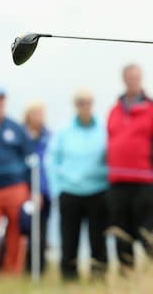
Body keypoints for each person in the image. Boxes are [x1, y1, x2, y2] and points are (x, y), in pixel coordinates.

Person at [107, 64, 153, 272]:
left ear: (141, 79)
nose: (133, 81)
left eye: (137, 77)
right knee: (122, 234)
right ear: (124, 79)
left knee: (151, 231)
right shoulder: (114, 110)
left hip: (145, 183)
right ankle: (126, 279)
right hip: (118, 184)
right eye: (129, 77)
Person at [45, 89, 109, 280]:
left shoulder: (103, 130)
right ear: (76, 105)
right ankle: (69, 280)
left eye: (88, 102)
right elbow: (51, 160)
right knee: (69, 240)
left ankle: (99, 279)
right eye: (81, 102)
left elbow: (110, 157)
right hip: (70, 192)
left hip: (98, 191)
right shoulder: (64, 132)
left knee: (98, 240)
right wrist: (57, 189)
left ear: (93, 104)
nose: (85, 106)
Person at [0, 86, 32, 277]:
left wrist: (32, 191)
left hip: (16, 188)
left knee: (16, 231)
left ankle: (12, 274)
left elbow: (29, 160)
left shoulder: (16, 128)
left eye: (1, 100)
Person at [22, 101, 51, 275]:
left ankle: (38, 270)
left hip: (43, 193)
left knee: (40, 233)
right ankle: (20, 268)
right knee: (23, 229)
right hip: (23, 190)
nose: (38, 116)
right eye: (35, 113)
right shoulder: (20, 136)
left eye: (41, 113)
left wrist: (41, 191)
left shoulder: (49, 137)